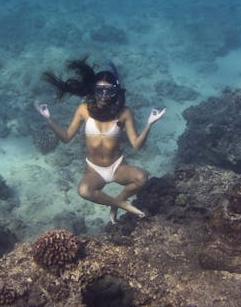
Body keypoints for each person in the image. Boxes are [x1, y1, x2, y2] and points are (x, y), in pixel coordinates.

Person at [35, 58, 166, 223]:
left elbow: (136, 145)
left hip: (118, 166)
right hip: (94, 170)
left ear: (115, 92)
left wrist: (149, 124)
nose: (104, 96)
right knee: (84, 190)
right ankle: (119, 204)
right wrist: (49, 119)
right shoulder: (83, 110)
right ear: (93, 90)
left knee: (142, 177)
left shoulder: (124, 112)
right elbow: (67, 138)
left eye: (108, 91)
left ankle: (117, 203)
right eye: (99, 90)